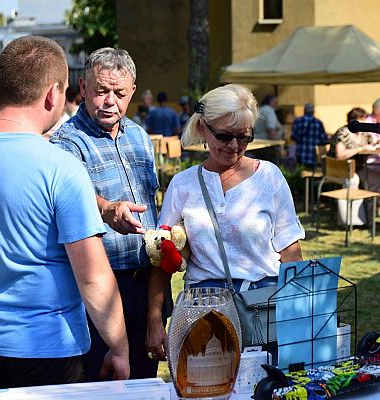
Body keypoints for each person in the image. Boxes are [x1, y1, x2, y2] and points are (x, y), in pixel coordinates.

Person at [0, 36, 129, 389]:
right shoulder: (60, 168)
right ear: (53, 94)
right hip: (46, 350)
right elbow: (93, 278)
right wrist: (119, 347)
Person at [146, 84, 304, 361]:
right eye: (224, 136)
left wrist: (300, 314)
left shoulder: (269, 177)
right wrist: (155, 320)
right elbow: (162, 256)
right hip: (203, 312)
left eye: (244, 138)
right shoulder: (183, 185)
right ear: (204, 129)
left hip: (262, 308)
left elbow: (291, 252)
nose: (234, 146)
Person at [50, 47, 166, 380]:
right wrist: (106, 208)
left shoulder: (141, 136)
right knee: (104, 384)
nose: (109, 101)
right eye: (101, 91)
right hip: (100, 288)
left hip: (147, 284)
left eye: (119, 93)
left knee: (143, 380)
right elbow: (73, 199)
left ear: (132, 91)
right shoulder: (67, 142)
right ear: (83, 87)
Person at [328, 107, 380, 225]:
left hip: (357, 168)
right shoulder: (343, 132)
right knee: (353, 180)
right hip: (339, 169)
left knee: (376, 179)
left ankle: (370, 217)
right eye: (361, 120)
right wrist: (360, 149)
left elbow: (370, 144)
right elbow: (340, 155)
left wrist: (376, 144)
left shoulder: (363, 134)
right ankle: (350, 221)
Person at [291, 103, 328, 169]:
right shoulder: (318, 123)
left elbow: (293, 137)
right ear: (313, 111)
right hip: (314, 156)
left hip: (300, 154)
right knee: (312, 174)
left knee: (301, 174)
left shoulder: (297, 121)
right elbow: (324, 140)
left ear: (304, 110)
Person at [251, 94, 285, 164]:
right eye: (276, 102)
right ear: (271, 102)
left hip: (257, 144)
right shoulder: (269, 111)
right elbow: (270, 129)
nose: (276, 105)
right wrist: (278, 144)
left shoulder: (260, 110)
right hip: (268, 146)